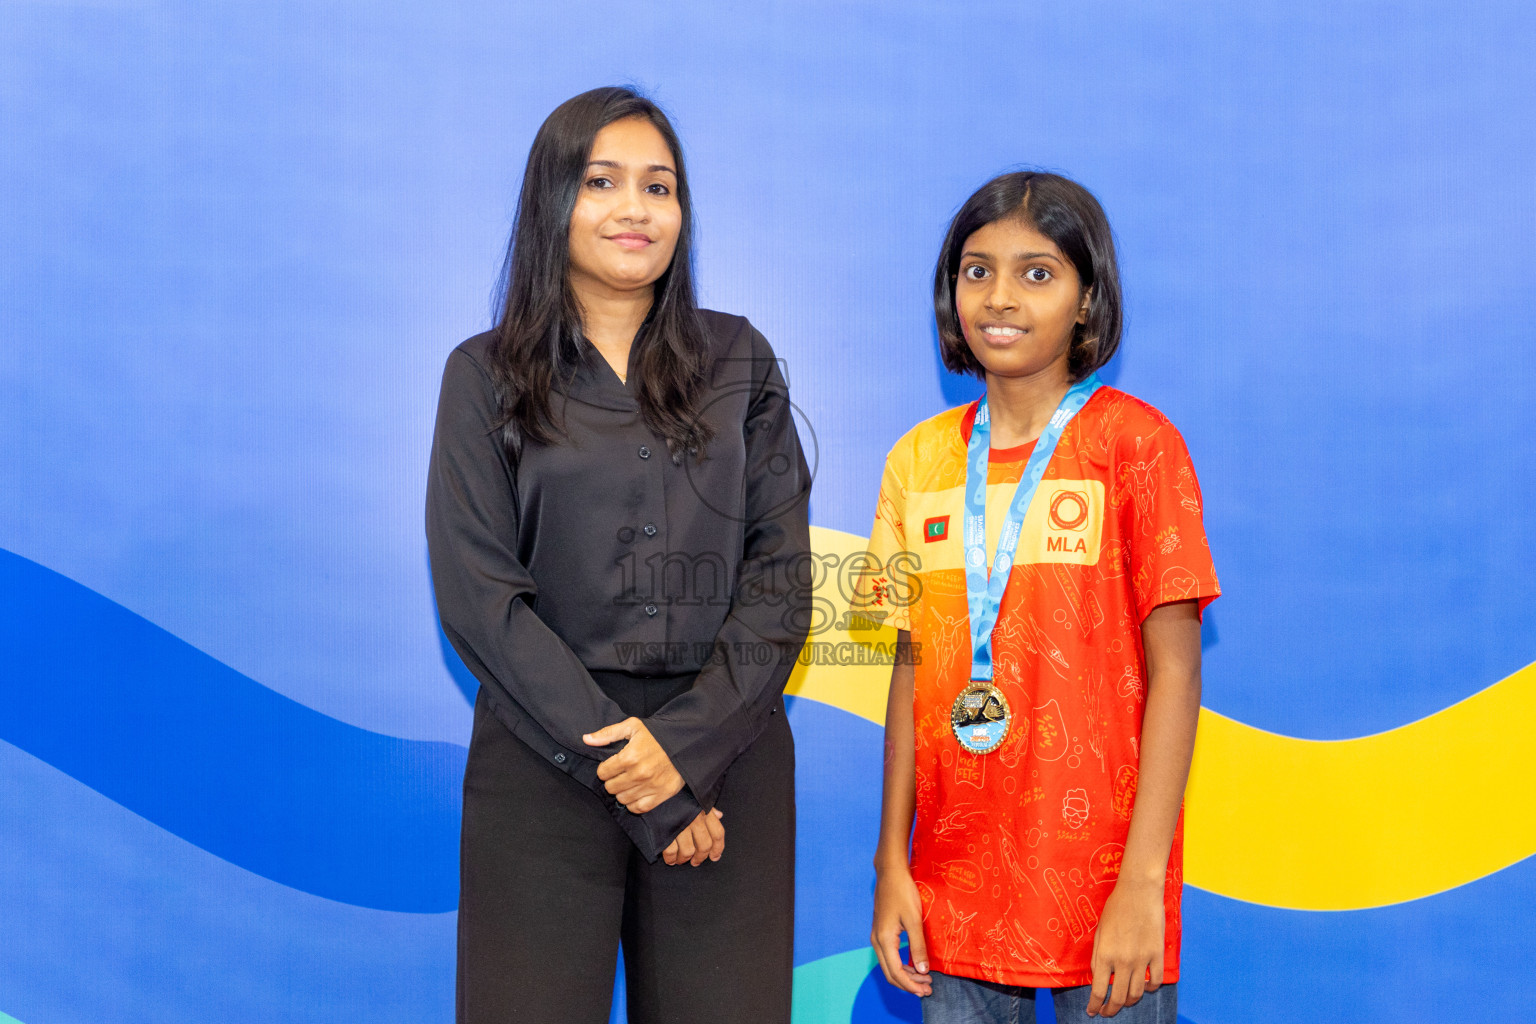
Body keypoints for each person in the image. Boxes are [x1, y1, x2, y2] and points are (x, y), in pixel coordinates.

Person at [426, 86, 810, 1024]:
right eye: (602, 182)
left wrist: (680, 758)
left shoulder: (741, 362)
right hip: (542, 763)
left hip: (727, 760)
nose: (636, 209)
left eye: (660, 186)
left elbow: (781, 581)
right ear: (552, 202)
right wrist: (638, 776)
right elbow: (481, 599)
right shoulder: (484, 375)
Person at [860, 172, 1220, 1022]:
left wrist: (1141, 887)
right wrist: (891, 865)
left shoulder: (1139, 445)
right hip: (953, 886)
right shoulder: (916, 461)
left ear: (1087, 301)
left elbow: (1178, 675)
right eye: (976, 270)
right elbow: (907, 671)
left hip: (1104, 890)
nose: (1000, 297)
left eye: (1037, 272)